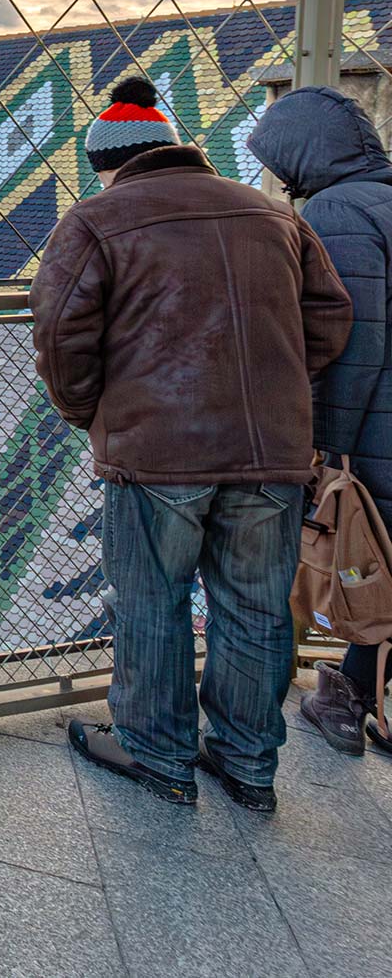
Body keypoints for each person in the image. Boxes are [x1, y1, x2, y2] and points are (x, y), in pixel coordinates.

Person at [31, 76, 351, 813]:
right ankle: (247, 762)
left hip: (156, 454)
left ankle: (158, 752)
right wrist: (277, 384)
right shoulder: (272, 215)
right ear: (175, 146)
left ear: (109, 162)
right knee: (255, 606)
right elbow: (331, 318)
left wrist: (91, 411)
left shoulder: (97, 219)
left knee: (151, 601)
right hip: (272, 449)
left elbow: (60, 336)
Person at [247, 84, 392, 757]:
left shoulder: (336, 211)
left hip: (375, 431)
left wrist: (327, 448)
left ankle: (346, 701)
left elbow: (349, 342)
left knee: (364, 561)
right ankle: (364, 694)